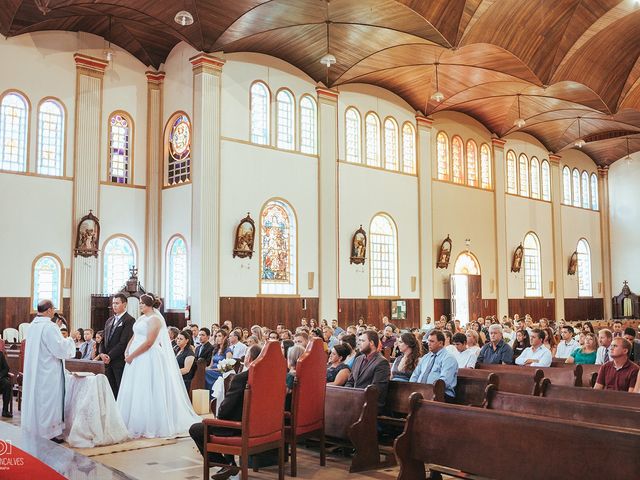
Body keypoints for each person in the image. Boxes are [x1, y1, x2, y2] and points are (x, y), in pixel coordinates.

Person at [117, 293, 201, 438]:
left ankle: (150, 424)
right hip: (135, 357)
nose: (140, 306)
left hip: (147, 357)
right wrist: (127, 350)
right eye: (140, 304)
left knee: (147, 389)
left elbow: (149, 342)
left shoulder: (155, 320)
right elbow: (134, 335)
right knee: (135, 388)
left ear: (149, 304)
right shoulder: (142, 318)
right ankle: (133, 420)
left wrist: (132, 355)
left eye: (142, 303)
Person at [189, 345, 262, 480]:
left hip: (240, 428)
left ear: (249, 358)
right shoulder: (267, 377)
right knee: (221, 423)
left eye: (246, 355)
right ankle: (229, 463)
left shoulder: (242, 378)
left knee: (196, 429)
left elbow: (225, 410)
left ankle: (224, 464)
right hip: (263, 427)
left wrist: (219, 416)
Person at [21, 300, 76, 441]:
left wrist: (56, 329)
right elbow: (60, 349)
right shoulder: (49, 327)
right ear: (49, 310)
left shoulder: (32, 326)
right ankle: (49, 433)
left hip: (36, 371)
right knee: (49, 402)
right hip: (48, 372)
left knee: (37, 401)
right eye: (53, 309)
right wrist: (71, 339)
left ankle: (36, 430)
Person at [345, 331, 390, 411]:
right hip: (355, 401)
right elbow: (350, 382)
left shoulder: (381, 362)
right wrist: (348, 395)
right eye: (359, 341)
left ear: (371, 343)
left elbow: (376, 390)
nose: (359, 343)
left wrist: (356, 398)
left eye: (362, 341)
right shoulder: (358, 359)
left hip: (371, 404)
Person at [100, 293, 135, 398]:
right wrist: (102, 353)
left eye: (117, 303)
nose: (114, 305)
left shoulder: (129, 320)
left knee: (119, 390)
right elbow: (103, 339)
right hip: (107, 362)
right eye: (113, 303)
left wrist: (109, 356)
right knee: (109, 390)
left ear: (124, 305)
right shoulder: (109, 320)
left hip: (119, 361)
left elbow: (123, 342)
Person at [410, 330, 458, 402]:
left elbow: (444, 382)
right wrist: (411, 388)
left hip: (442, 394)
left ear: (440, 343)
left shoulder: (448, 358)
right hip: (422, 391)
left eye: (432, 341)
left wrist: (427, 390)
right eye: (428, 341)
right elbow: (415, 375)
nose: (428, 344)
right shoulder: (426, 357)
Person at [0, 349, 12, 417]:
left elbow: (6, 368)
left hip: (0, 380)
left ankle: (5, 411)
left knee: (7, 384)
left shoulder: (0, 354)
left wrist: (0, 376)